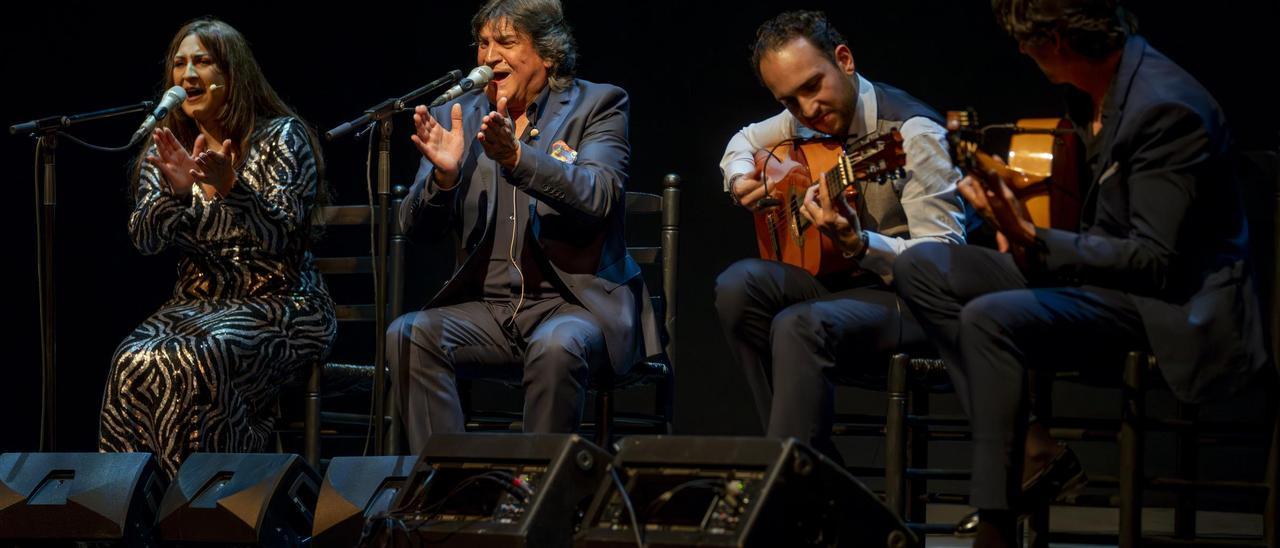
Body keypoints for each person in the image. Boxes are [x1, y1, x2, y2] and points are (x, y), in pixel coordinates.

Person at [892, 0, 1270, 544]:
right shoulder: (1096, 93)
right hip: (1101, 279)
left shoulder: (1165, 107)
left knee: (988, 318)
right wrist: (1017, 220)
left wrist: (1035, 241)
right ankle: (1031, 450)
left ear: (1059, 41)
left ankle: (995, 526)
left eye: (1029, 40)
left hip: (1162, 303)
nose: (1022, 51)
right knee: (924, 267)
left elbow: (1155, 261)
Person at [387, 0, 662, 454]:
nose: (489, 56)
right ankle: (446, 490)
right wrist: (444, 178)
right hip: (490, 310)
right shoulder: (460, 114)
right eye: (483, 43)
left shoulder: (598, 104)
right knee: (410, 334)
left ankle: (537, 501)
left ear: (548, 54)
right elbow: (417, 229)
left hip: (575, 306)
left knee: (557, 347)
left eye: (506, 43)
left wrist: (517, 158)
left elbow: (598, 196)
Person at [714, 10, 967, 458]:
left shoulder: (912, 134)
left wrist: (861, 244)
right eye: (790, 101)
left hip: (911, 302)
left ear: (844, 60)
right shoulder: (807, 118)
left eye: (813, 86)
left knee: (798, 324)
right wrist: (740, 181)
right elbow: (743, 140)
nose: (807, 110)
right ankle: (807, 462)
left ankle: (792, 480)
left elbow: (944, 262)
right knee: (737, 288)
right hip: (841, 289)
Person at [99, 18, 336, 480]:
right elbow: (146, 240)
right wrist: (178, 194)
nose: (188, 74)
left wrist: (233, 188)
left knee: (205, 355)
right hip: (195, 303)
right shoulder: (169, 144)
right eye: (180, 63)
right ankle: (138, 508)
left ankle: (212, 502)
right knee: (130, 359)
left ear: (232, 74)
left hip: (282, 301)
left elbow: (283, 237)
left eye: (203, 62)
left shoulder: (281, 137)